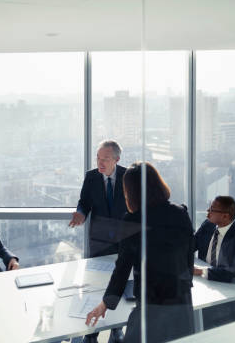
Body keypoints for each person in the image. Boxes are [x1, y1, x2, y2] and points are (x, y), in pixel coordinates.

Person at [85, 162, 195, 343]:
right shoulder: (180, 212)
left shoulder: (133, 220)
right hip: (181, 301)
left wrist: (106, 303)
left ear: (131, 191)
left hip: (151, 305)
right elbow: (189, 253)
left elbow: (122, 268)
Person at [69, 140, 127, 343]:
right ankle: (91, 332)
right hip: (99, 241)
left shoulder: (128, 177)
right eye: (98, 158)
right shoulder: (91, 177)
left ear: (117, 160)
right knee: (95, 286)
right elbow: (84, 202)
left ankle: (117, 328)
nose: (100, 163)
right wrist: (80, 213)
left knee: (119, 284)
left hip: (124, 242)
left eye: (105, 159)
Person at [193, 195, 235, 328]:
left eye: (212, 209)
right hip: (209, 285)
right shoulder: (208, 226)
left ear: (225, 216)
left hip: (229, 293)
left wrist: (200, 271)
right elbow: (190, 245)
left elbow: (234, 273)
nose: (208, 212)